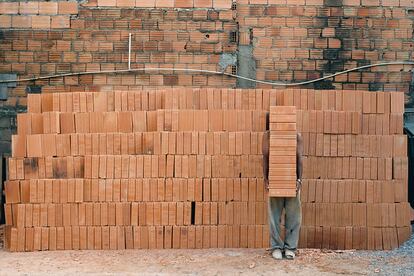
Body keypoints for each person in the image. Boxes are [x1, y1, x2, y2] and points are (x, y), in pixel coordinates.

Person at [262, 112, 303, 260]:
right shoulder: (267, 136)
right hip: (276, 180)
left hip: (291, 181)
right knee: (274, 216)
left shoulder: (296, 136)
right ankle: (276, 247)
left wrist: (299, 180)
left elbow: (299, 159)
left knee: (294, 216)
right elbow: (265, 157)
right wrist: (266, 179)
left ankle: (290, 247)